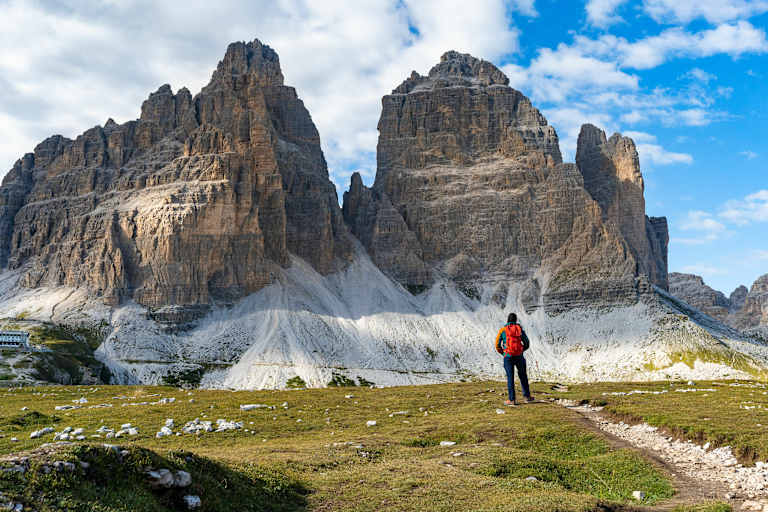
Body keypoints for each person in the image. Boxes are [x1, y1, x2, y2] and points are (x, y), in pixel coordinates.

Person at [494, 312, 534, 406]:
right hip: (519, 356)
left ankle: (512, 400)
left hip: (508, 356)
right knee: (523, 376)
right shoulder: (519, 329)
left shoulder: (503, 330)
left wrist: (503, 353)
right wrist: (521, 350)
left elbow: (497, 345)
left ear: (507, 320)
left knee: (510, 378)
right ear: (516, 320)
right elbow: (527, 342)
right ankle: (527, 397)